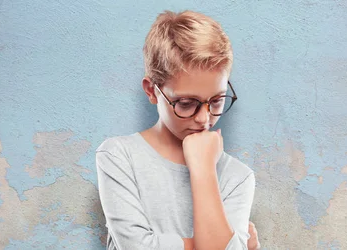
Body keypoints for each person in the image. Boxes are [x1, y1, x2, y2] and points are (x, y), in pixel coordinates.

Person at [95, 10, 260, 250]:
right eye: (186, 104)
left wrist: (203, 169)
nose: (205, 119)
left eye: (217, 100)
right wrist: (211, 244)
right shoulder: (119, 156)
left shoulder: (237, 177)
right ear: (152, 91)